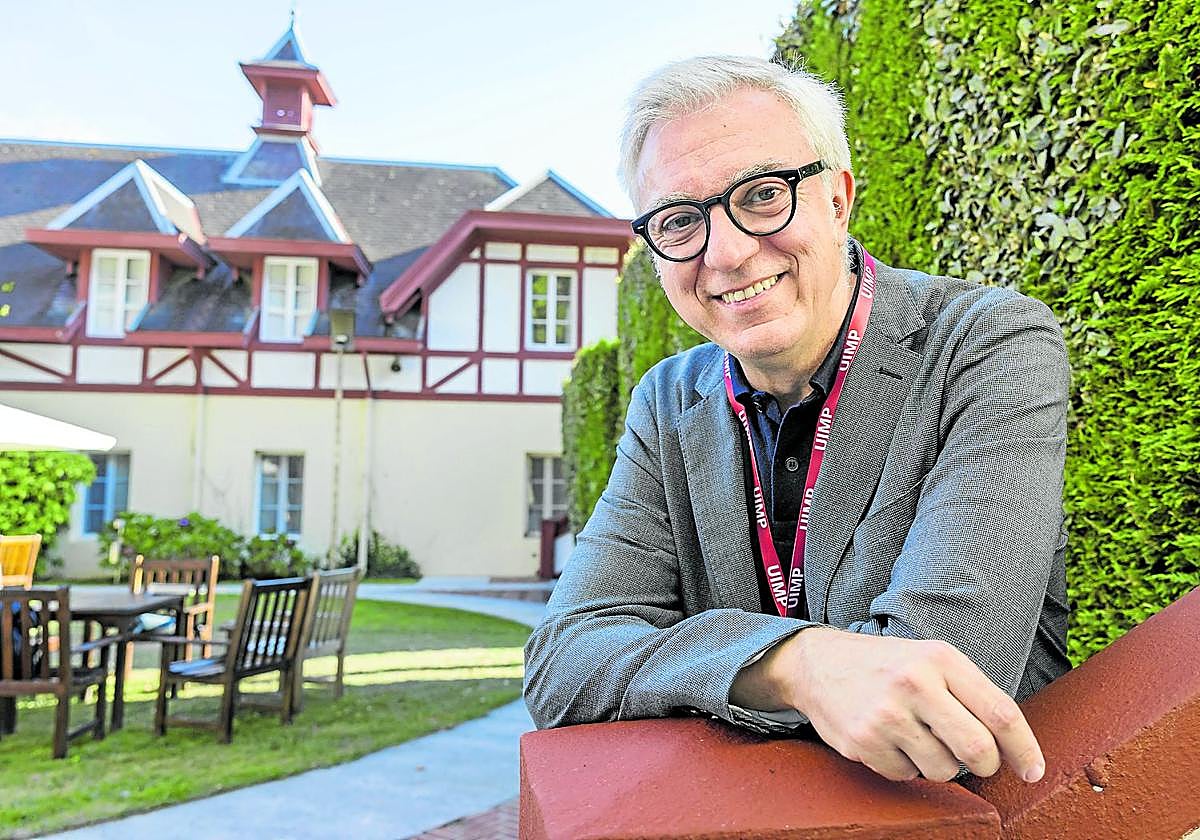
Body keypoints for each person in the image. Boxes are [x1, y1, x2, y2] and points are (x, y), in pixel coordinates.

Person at [524, 55, 1071, 785]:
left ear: (838, 199)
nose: (726, 252)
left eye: (762, 195)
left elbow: (943, 673)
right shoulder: (666, 400)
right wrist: (796, 665)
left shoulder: (986, 344)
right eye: (681, 220)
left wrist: (694, 661)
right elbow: (565, 660)